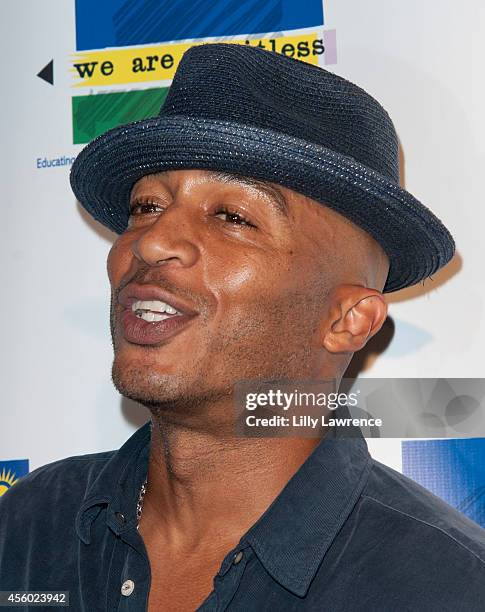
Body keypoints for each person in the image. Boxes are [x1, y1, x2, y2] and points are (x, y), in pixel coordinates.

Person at [1, 42, 484, 612]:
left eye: (232, 217)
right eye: (146, 207)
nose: (151, 242)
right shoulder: (27, 524)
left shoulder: (446, 587)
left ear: (348, 321)